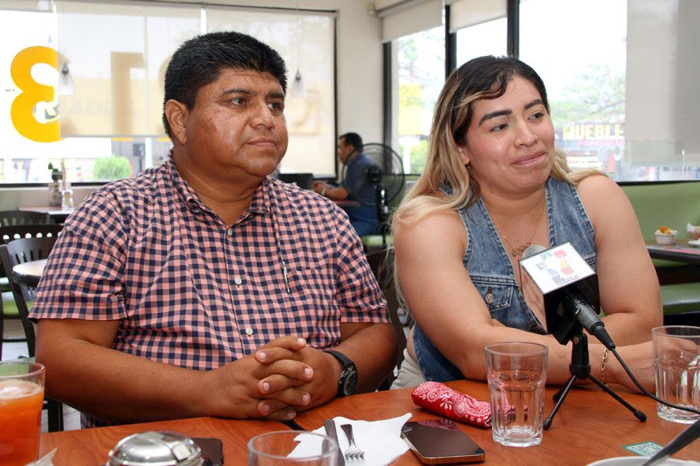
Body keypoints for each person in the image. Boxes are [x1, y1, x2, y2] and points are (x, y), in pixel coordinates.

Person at [30, 31, 396, 428]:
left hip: (310, 445)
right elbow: (61, 358)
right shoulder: (116, 214)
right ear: (180, 119)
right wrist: (208, 390)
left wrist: (333, 369)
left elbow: (377, 331)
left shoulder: (322, 218)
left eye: (275, 104)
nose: (265, 119)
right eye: (239, 101)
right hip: (167, 447)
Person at [390, 56, 661, 392]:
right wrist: (605, 363)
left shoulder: (597, 198)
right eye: (500, 126)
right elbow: (476, 352)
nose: (527, 136)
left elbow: (642, 323)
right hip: (447, 393)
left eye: (536, 115)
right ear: (460, 148)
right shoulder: (428, 223)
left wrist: (527, 351)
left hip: (579, 392)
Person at [313, 133, 381, 236]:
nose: (338, 152)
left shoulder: (360, 165)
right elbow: (346, 188)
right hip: (357, 217)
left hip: (366, 220)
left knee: (336, 237)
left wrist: (323, 191)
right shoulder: (358, 163)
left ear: (349, 148)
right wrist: (327, 186)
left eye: (340, 148)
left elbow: (341, 193)